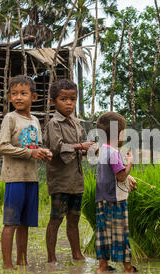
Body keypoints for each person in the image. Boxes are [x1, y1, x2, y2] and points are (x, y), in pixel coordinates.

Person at [0, 75, 52, 270]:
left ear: (34, 97)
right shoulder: (10, 118)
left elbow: (34, 145)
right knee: (11, 222)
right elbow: (2, 146)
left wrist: (43, 152)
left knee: (25, 224)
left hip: (31, 178)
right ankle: (7, 265)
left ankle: (22, 261)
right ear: (9, 98)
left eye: (23, 93)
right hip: (15, 178)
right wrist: (31, 152)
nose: (18, 97)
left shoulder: (36, 121)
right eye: (14, 94)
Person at [44, 78, 95, 264]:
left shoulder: (76, 123)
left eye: (72, 99)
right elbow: (56, 147)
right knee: (56, 219)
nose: (69, 103)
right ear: (53, 102)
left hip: (76, 179)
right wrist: (80, 145)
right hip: (60, 180)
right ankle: (51, 257)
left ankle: (77, 254)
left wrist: (86, 148)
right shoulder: (54, 124)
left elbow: (76, 148)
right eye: (63, 99)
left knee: (74, 219)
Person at [95, 112, 138, 273]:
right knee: (120, 233)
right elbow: (120, 177)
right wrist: (130, 164)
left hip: (101, 199)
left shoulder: (102, 150)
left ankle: (102, 265)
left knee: (103, 232)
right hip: (116, 200)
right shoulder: (114, 153)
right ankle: (128, 268)